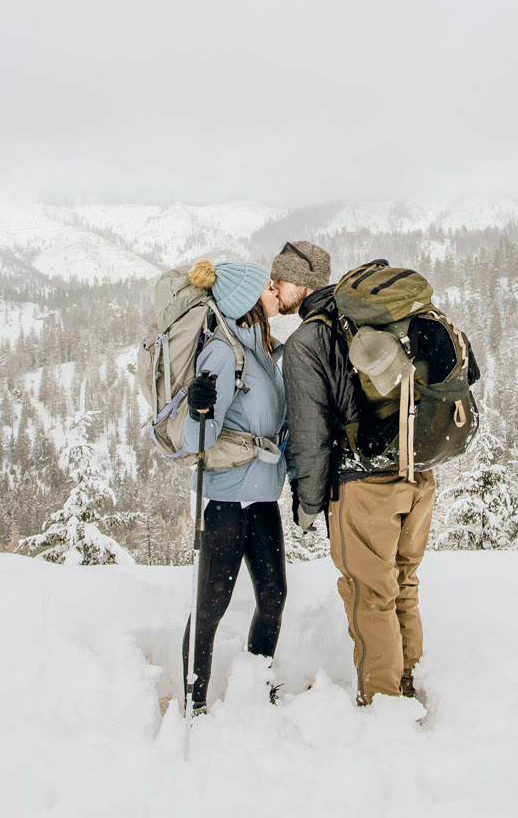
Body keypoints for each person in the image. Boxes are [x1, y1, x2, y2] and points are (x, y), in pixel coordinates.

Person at [278, 242, 435, 709]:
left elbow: (308, 432)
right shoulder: (371, 320)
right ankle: (406, 678)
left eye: (280, 280)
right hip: (415, 470)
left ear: (303, 283)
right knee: (402, 581)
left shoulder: (308, 341)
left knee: (370, 594)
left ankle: (384, 703)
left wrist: (308, 504)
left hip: (365, 484)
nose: (274, 289)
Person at [182, 258, 289, 714]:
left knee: (273, 596)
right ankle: (194, 698)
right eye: (267, 287)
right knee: (210, 606)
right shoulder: (225, 354)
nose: (274, 292)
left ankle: (255, 682)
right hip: (227, 500)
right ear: (247, 301)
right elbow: (196, 442)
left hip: (261, 496)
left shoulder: (263, 349)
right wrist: (198, 409)